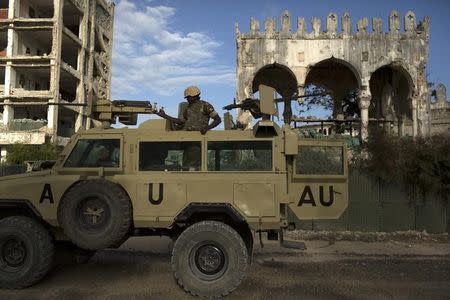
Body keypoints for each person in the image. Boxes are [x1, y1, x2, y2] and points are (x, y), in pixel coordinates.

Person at [156, 86, 221, 134]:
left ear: (194, 96)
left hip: (200, 137)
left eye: (188, 97)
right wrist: (164, 115)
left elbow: (218, 120)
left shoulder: (206, 106)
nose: (187, 99)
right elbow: (180, 121)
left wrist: (207, 128)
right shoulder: (187, 108)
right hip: (188, 137)